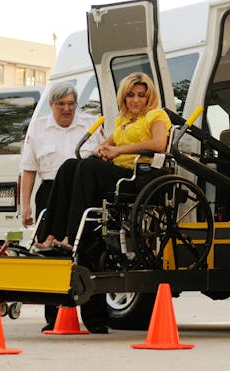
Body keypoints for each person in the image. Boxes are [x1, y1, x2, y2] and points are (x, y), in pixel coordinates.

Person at [35, 72, 171, 333]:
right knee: (70, 166)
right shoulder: (121, 122)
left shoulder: (156, 116)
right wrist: (103, 149)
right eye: (131, 95)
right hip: (115, 174)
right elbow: (105, 145)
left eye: (141, 95)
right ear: (124, 97)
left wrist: (118, 150)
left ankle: (71, 236)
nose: (136, 100)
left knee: (87, 168)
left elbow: (159, 143)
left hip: (136, 177)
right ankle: (52, 234)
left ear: (148, 97)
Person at [17, 82, 103, 330]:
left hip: (84, 195)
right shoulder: (39, 128)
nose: (67, 109)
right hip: (51, 191)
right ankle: (54, 320)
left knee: (89, 253)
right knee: (53, 256)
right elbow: (29, 169)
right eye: (61, 104)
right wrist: (25, 206)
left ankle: (95, 320)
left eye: (71, 104)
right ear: (52, 105)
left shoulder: (91, 124)